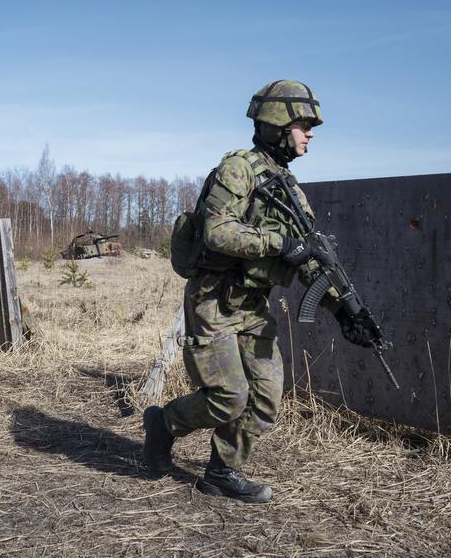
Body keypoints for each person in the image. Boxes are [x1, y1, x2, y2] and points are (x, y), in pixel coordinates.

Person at [143, 80, 372, 503]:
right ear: (279, 124)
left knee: (266, 397)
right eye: (305, 125)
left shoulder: (291, 190)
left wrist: (343, 313)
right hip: (213, 300)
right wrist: (278, 244)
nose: (311, 134)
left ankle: (221, 472)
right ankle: (164, 423)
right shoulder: (238, 170)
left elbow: (307, 260)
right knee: (228, 398)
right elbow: (217, 232)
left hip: (253, 306)